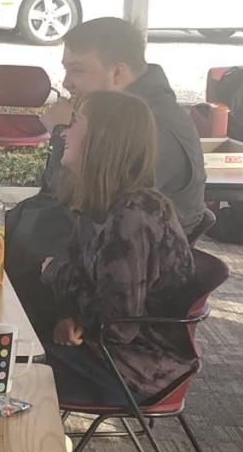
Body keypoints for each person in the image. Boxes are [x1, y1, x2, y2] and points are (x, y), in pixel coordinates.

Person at [5, 16, 206, 327]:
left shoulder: (150, 128)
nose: (67, 82)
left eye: (78, 70)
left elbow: (79, 204)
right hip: (91, 247)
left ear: (118, 73)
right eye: (66, 69)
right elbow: (58, 191)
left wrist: (62, 130)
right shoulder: (113, 114)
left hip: (119, 276)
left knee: (2, 270)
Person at [39, 88, 195, 407]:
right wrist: (71, 317)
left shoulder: (131, 217)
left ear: (103, 138)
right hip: (109, 352)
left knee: (10, 364)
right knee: (4, 344)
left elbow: (118, 328)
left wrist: (55, 273)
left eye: (76, 122)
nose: (65, 132)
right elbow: (93, 287)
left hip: (135, 370)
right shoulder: (100, 203)